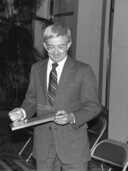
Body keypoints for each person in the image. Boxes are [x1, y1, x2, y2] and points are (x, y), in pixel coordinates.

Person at [9, 23, 102, 171]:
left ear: (69, 44)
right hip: (44, 146)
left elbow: (93, 106)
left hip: (73, 145)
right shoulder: (37, 68)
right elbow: (32, 99)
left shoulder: (83, 70)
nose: (56, 52)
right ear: (45, 46)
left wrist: (71, 117)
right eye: (51, 47)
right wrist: (22, 112)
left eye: (61, 46)